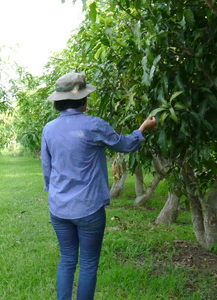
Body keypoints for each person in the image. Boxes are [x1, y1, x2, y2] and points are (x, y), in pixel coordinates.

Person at [41, 73, 157, 300]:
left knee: (66, 260)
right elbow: (126, 144)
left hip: (59, 208)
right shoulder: (93, 125)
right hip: (89, 209)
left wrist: (56, 193)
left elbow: (48, 170)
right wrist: (142, 129)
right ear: (83, 100)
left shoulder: (49, 129)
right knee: (88, 264)